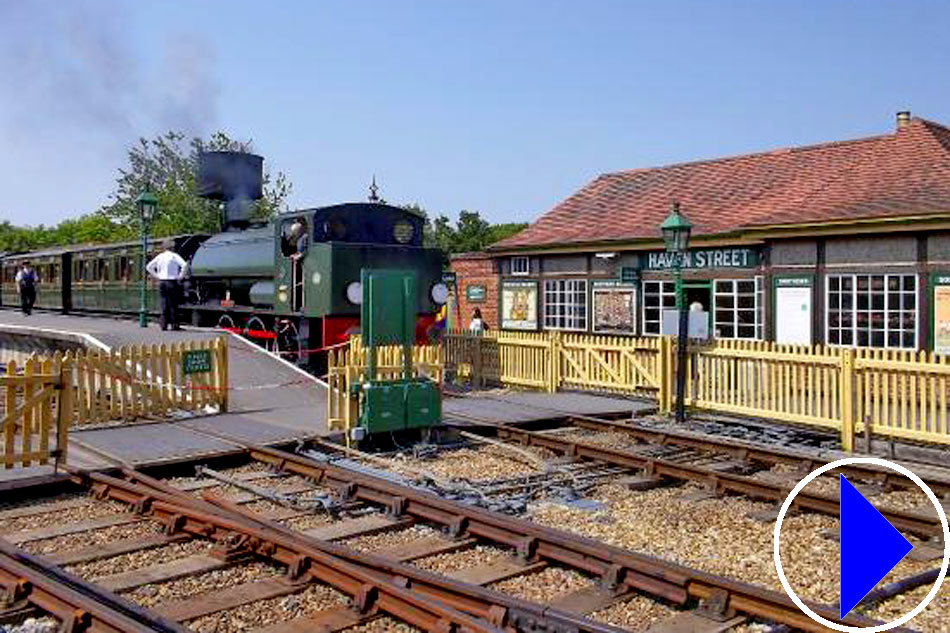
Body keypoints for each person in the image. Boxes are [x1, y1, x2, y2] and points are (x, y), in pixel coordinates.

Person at [146, 245, 187, 331]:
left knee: (163, 303)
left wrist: (157, 276)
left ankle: (163, 325)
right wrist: (180, 276)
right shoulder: (174, 256)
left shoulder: (160, 256)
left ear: (164, 248)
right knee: (173, 304)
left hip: (162, 282)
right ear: (172, 248)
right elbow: (185, 265)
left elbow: (149, 267)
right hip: (171, 282)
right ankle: (174, 325)